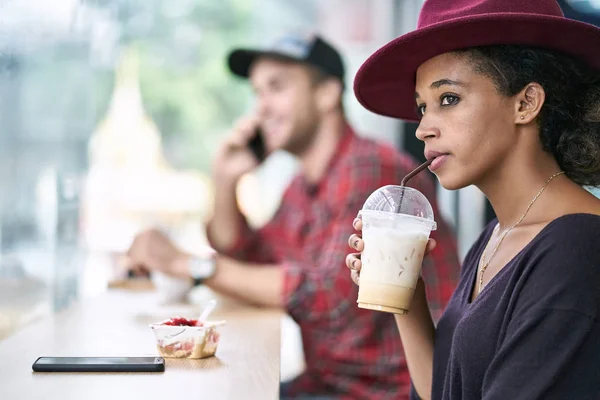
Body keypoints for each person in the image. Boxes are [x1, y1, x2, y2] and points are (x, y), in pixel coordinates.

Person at [127, 32, 460, 399]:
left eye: (277, 87)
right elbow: (247, 257)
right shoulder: (303, 185)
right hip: (326, 385)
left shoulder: (370, 167)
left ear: (327, 94)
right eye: (258, 93)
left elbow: (328, 297)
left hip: (383, 393)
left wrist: (187, 264)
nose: (262, 107)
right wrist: (224, 180)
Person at [346, 0, 600, 399]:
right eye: (422, 108)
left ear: (525, 103)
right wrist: (406, 298)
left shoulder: (578, 248)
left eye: (448, 99)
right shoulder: (495, 236)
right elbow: (446, 391)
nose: (422, 129)